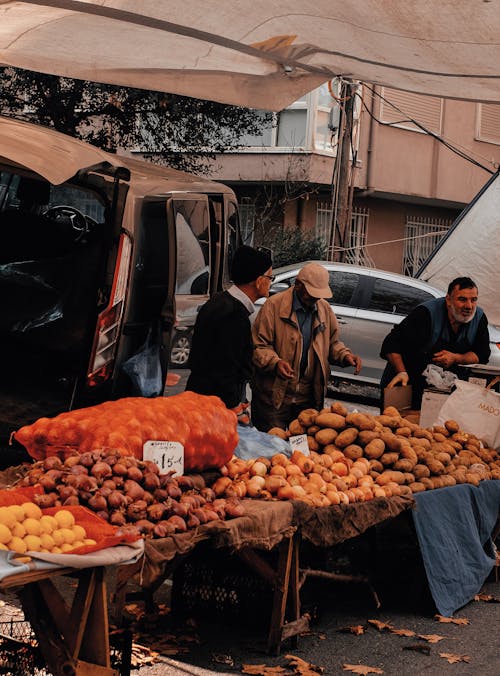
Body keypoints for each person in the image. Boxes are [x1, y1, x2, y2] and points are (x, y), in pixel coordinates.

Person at [250, 262, 362, 431]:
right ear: (298, 285)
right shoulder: (273, 306)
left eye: (318, 295)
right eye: (312, 294)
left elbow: (332, 344)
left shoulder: (324, 309)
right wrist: (275, 362)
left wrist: (345, 355)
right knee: (270, 449)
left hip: (308, 398)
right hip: (275, 397)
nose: (315, 298)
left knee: (301, 452)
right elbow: (258, 347)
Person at [185, 245, 273, 414]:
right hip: (212, 405)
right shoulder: (233, 314)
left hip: (200, 396)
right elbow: (224, 369)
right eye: (270, 277)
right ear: (259, 280)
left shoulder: (219, 301)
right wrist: (234, 406)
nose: (270, 283)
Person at [380, 276, 491, 409]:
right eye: (462, 299)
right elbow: (391, 343)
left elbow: (482, 354)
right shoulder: (425, 314)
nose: (469, 306)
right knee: (394, 425)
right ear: (448, 300)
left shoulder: (479, 318)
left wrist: (456, 358)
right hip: (406, 382)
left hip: (443, 390)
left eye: (473, 300)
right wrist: (401, 372)